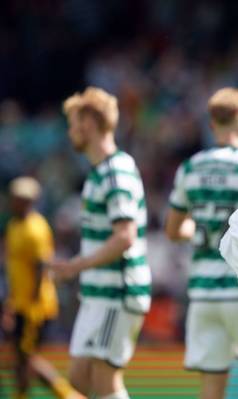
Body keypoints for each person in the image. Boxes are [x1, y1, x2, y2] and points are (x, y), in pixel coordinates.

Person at [165, 87, 238, 399]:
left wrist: (206, 230)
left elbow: (174, 230)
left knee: (211, 392)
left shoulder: (190, 168)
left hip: (204, 295)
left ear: (212, 124)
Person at [48, 87, 151, 399]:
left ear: (90, 124)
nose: (70, 132)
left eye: (73, 123)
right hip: (98, 294)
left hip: (117, 291)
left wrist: (75, 266)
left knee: (104, 381)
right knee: (79, 379)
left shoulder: (116, 170)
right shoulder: (97, 173)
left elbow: (125, 236)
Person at [3, 176, 83, 399]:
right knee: (19, 357)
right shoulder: (14, 225)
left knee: (26, 357)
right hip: (20, 302)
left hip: (33, 305)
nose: (18, 202)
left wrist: (32, 306)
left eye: (23, 199)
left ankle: (68, 394)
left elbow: (41, 269)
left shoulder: (35, 229)